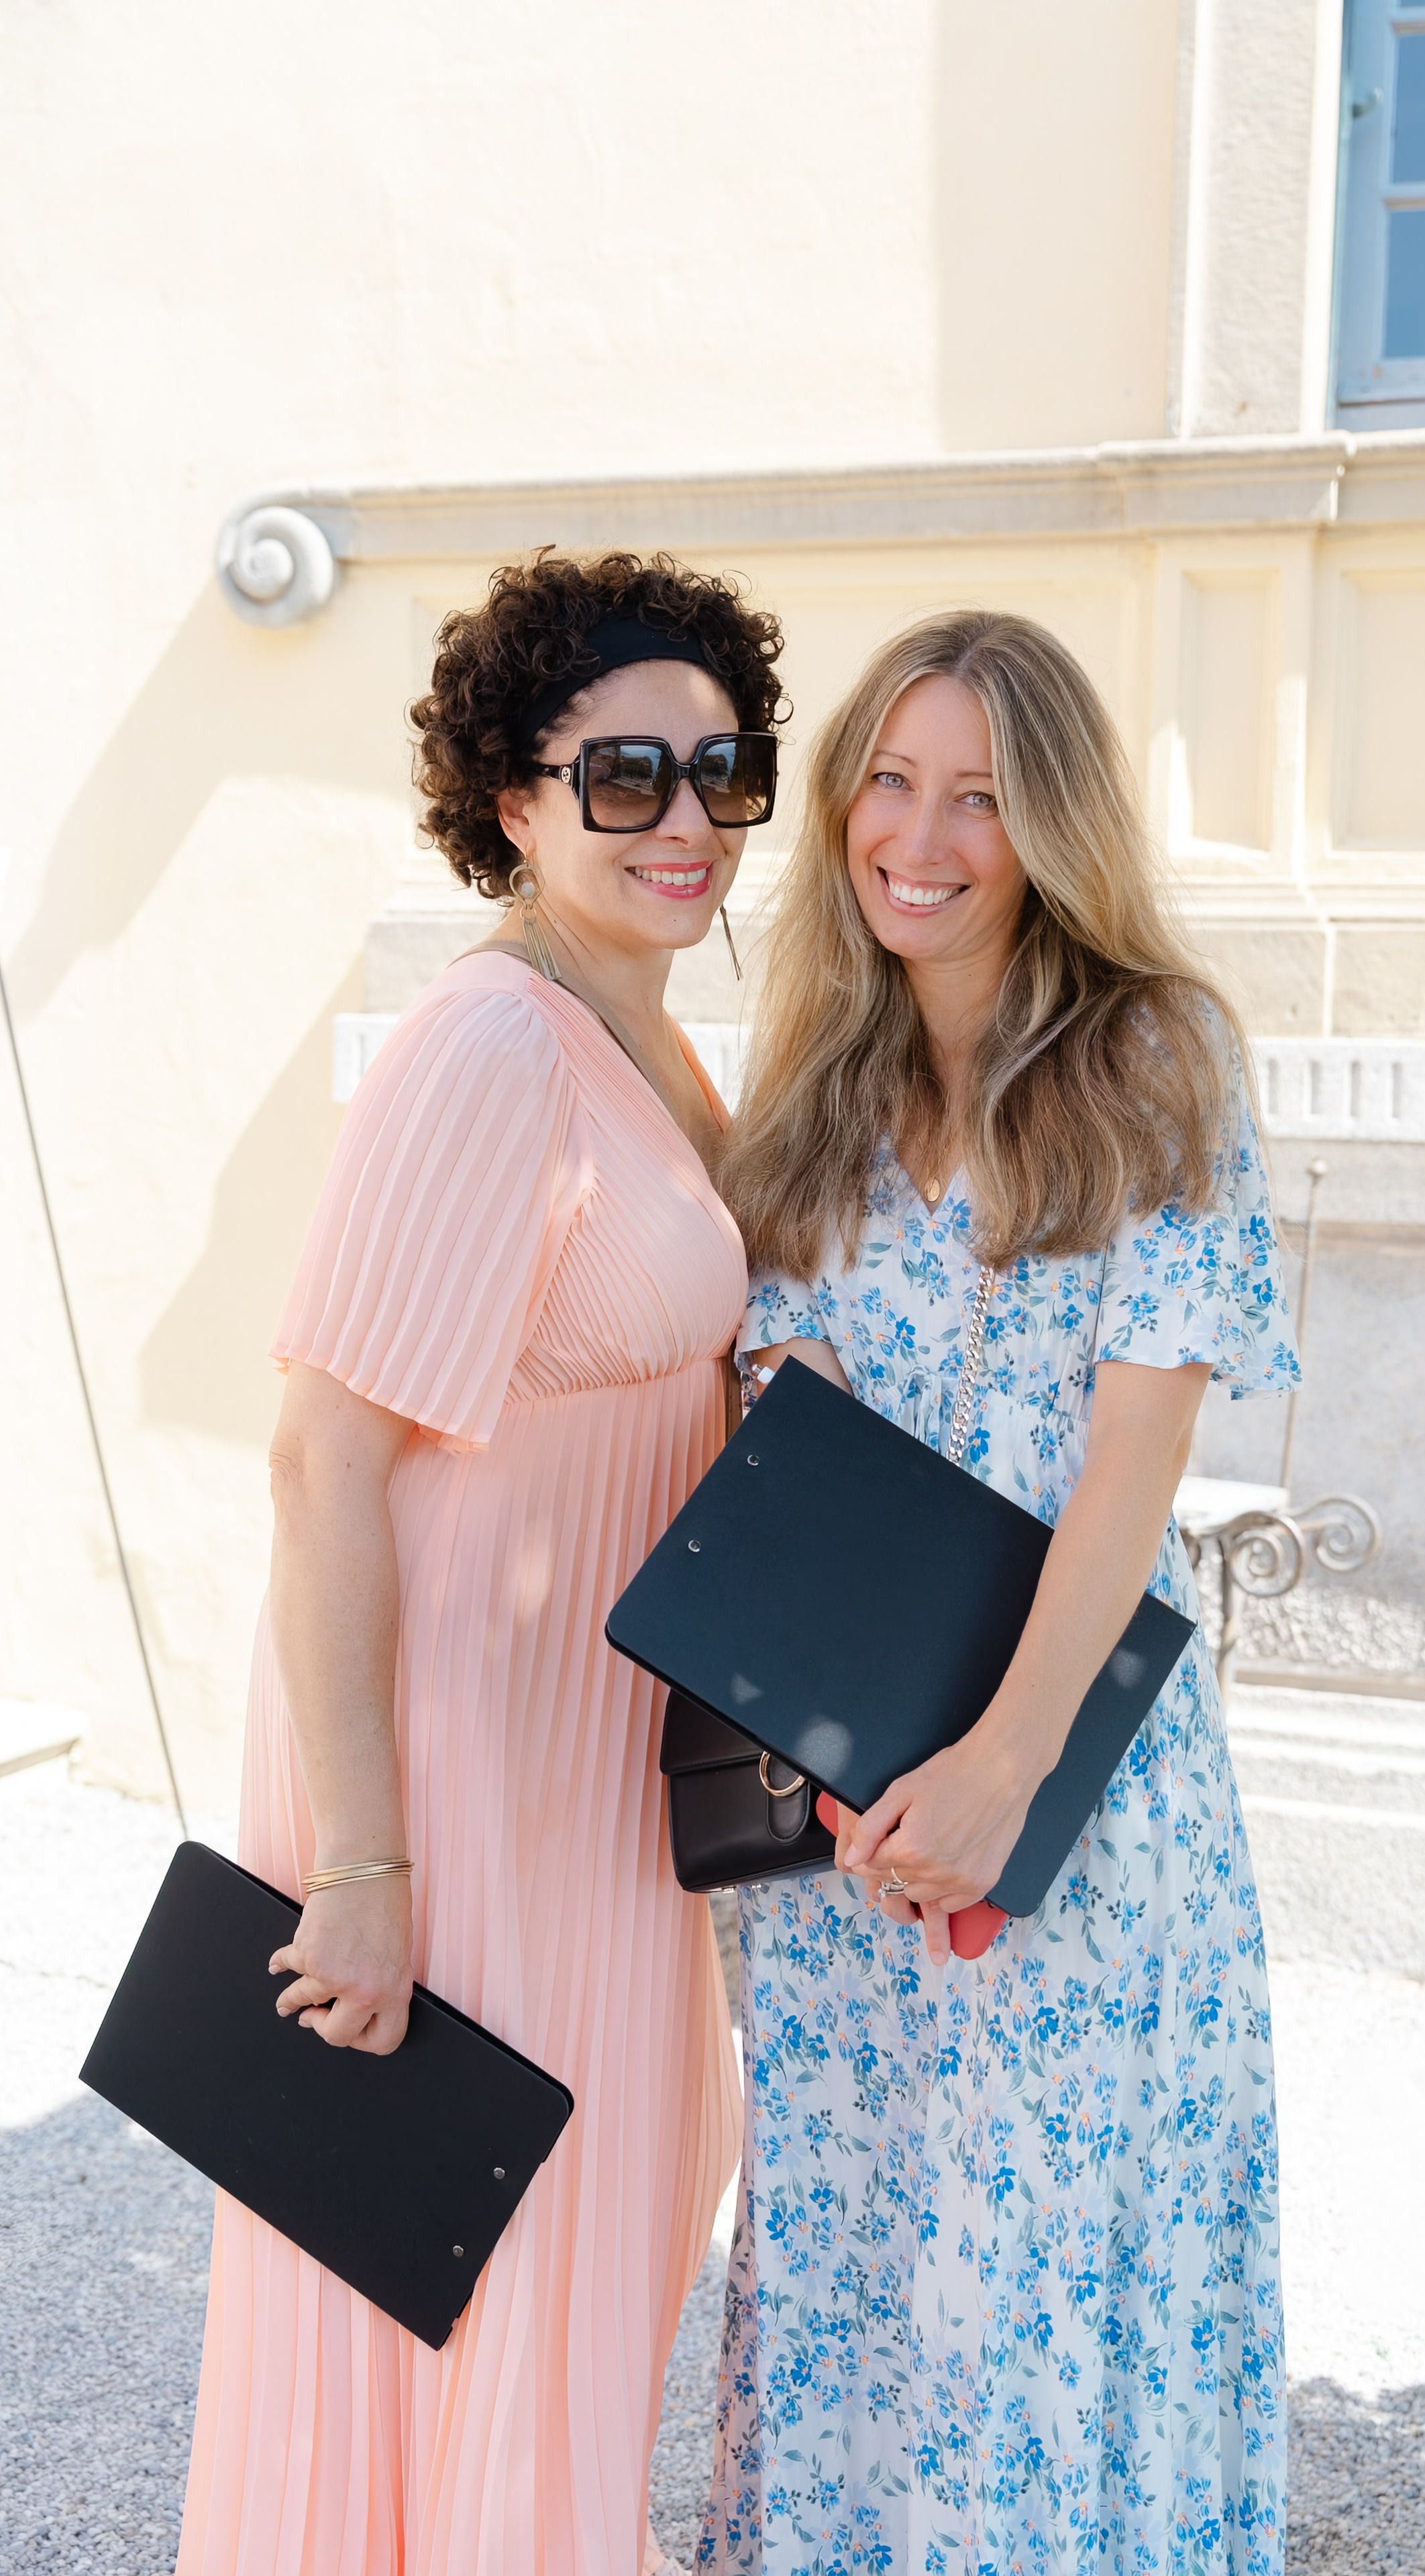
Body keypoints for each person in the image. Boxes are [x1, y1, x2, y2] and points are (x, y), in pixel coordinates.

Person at [175, 550, 785, 2576]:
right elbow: (320, 1466)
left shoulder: (650, 1043)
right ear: (514, 799)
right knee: (489, 2272)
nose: (683, 820)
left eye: (723, 770)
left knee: (584, 2260)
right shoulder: (493, 1051)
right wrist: (361, 1872)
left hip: (605, 1761)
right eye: (625, 775)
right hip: (470, 1781)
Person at [704, 610, 1298, 2576]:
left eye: (980, 793)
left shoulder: (1157, 1055)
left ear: (1052, 826)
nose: (923, 835)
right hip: (840, 1829)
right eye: (889, 779)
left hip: (1076, 1810)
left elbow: (1137, 1458)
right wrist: (850, 1764)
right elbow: (783, 1445)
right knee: (858, 2291)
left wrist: (1002, 1773)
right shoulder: (806, 1092)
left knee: (1045, 2315)